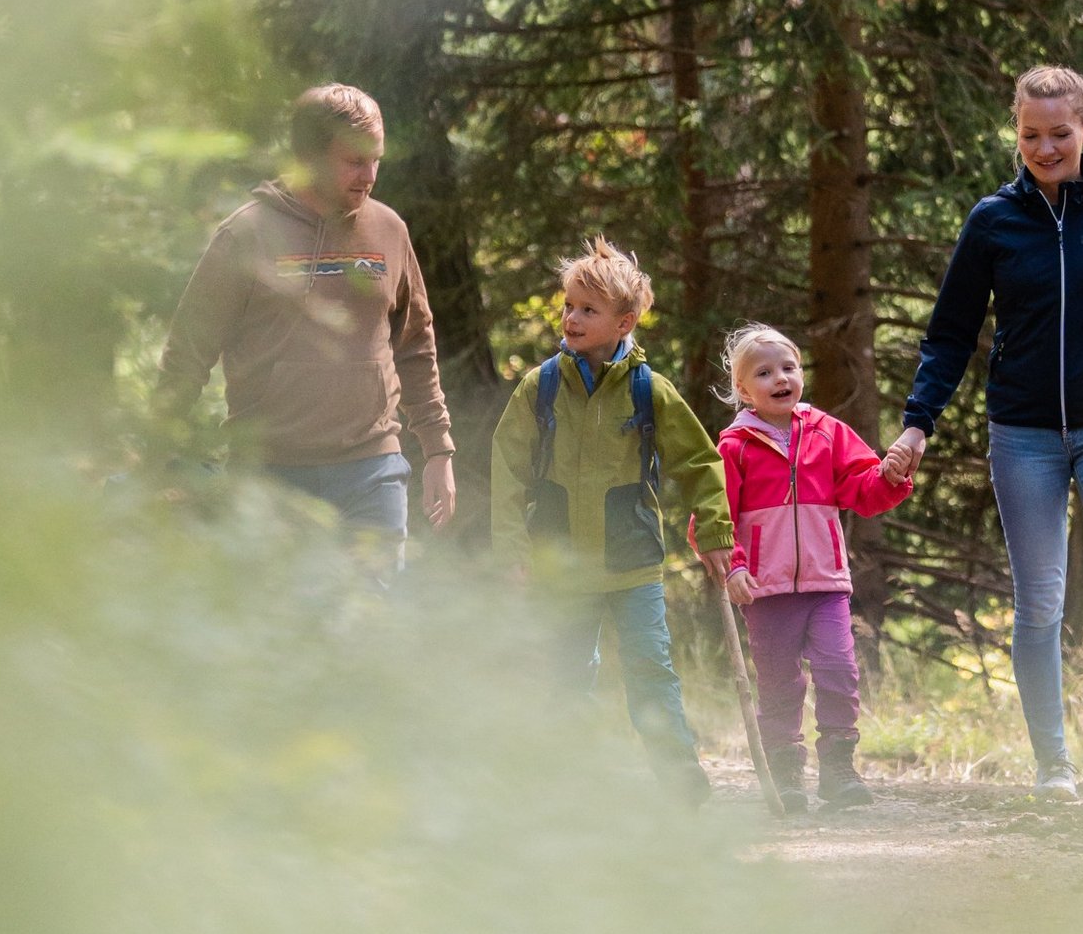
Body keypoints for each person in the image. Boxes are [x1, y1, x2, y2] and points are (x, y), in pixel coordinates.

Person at [883, 64, 1083, 799]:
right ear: (1016, 132)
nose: (1045, 147)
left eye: (1060, 133)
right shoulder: (993, 221)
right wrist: (918, 424)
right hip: (1022, 434)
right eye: (1031, 134)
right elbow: (950, 334)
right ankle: (1055, 763)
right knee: (1040, 600)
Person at [156, 83, 456, 577]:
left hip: (371, 471)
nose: (369, 176)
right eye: (354, 161)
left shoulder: (389, 230)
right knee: (283, 637)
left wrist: (438, 449)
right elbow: (189, 351)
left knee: (371, 629)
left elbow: (415, 345)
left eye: (376, 159)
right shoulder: (246, 236)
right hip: (271, 477)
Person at [489, 237, 735, 806]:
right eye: (569, 305)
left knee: (650, 672)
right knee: (566, 676)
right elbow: (507, 470)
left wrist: (717, 532)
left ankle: (682, 788)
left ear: (624, 323)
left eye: (588, 310)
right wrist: (512, 551)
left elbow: (699, 462)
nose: (571, 318)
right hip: (563, 564)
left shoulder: (651, 391)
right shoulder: (540, 387)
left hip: (632, 564)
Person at [712, 323, 913, 812]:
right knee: (779, 683)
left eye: (789, 367)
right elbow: (716, 517)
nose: (781, 378)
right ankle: (786, 776)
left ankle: (839, 769)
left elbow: (862, 489)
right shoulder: (734, 448)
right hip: (766, 590)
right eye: (764, 373)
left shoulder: (826, 432)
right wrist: (734, 567)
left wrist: (889, 474)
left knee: (838, 669)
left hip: (826, 584)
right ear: (743, 391)